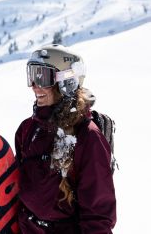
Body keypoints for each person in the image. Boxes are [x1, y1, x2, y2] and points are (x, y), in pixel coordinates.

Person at [15, 44, 116, 233]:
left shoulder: (88, 137)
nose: (34, 86)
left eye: (41, 77)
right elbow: (19, 188)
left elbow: (98, 215)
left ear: (66, 82)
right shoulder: (27, 129)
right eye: (32, 76)